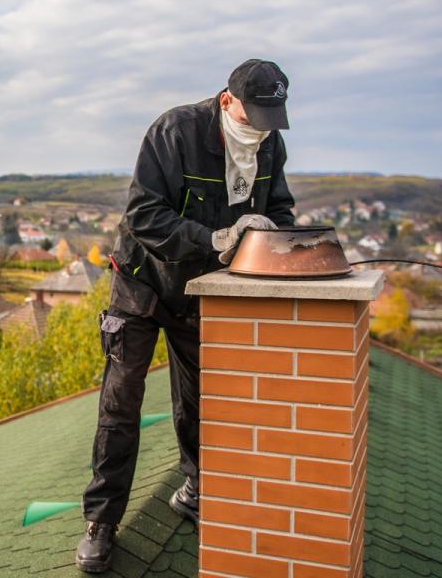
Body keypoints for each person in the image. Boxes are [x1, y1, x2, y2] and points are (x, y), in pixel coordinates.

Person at [75, 59, 298, 573]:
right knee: (121, 401)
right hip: (142, 282)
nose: (261, 131)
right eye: (254, 117)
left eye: (272, 119)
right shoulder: (175, 131)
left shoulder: (270, 144)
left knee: (200, 396)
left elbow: (280, 209)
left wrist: (276, 237)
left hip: (196, 290)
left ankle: (196, 486)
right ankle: (101, 522)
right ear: (227, 101)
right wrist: (213, 239)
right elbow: (142, 214)